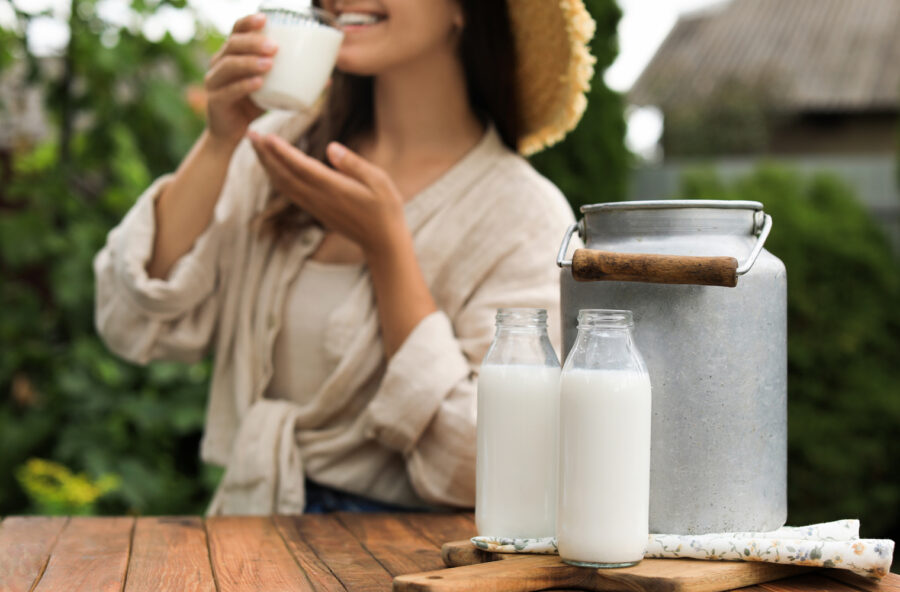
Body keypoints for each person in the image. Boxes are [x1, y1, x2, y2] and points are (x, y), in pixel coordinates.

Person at [93, 0, 596, 515]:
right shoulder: (279, 147)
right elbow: (132, 323)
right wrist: (220, 142)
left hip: (408, 557)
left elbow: (498, 464)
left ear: (464, 9)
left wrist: (388, 251)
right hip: (251, 533)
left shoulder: (524, 215)